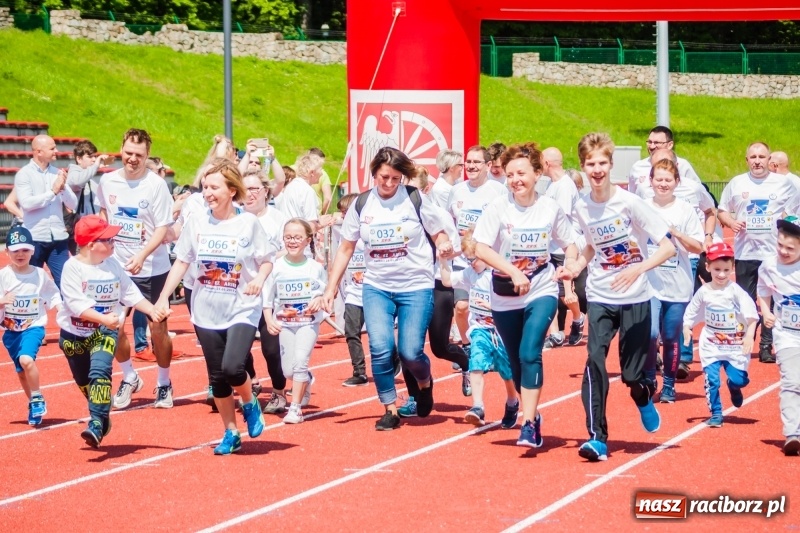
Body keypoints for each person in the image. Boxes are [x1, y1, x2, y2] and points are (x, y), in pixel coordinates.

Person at [559, 133, 675, 462]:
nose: (597, 169)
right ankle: (597, 437)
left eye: (602, 163)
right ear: (582, 166)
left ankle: (643, 396)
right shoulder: (582, 206)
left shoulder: (629, 202)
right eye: (590, 164)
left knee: (631, 376)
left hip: (636, 295)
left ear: (611, 165)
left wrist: (638, 270)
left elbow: (667, 247)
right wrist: (576, 267)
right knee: (594, 362)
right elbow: (592, 245)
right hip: (600, 294)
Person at [322, 147, 454, 431]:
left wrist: (442, 242)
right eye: (384, 177)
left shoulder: (415, 198)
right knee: (381, 349)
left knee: (410, 351)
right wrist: (330, 287)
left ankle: (424, 382)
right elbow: (345, 248)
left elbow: (438, 231)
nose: (390, 184)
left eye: (396, 178)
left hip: (415, 286)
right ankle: (390, 408)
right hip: (377, 287)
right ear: (374, 174)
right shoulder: (362, 204)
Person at [155, 158, 275, 455]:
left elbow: (267, 260)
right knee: (217, 377)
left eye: (214, 187)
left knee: (233, 367)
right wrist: (162, 298)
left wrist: (259, 279)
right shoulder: (197, 221)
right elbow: (182, 261)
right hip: (205, 309)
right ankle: (230, 432)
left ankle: (249, 403)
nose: (207, 192)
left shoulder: (248, 222)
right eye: (205, 186)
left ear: (232, 190)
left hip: (242, 306)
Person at [473, 142, 579, 448]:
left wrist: (570, 262)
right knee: (516, 362)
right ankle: (533, 411)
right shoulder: (498, 209)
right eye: (509, 175)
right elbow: (479, 247)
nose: (515, 179)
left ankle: (529, 422)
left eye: (521, 173)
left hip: (541, 287)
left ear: (537, 173)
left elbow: (569, 242)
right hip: (504, 293)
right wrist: (512, 271)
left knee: (530, 352)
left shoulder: (549, 207)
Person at [58, 215, 167, 448]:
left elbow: (130, 293)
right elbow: (76, 305)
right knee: (86, 383)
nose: (113, 241)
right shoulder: (72, 268)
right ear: (90, 245)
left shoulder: (113, 265)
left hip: (105, 333)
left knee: (100, 373)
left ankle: (96, 423)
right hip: (73, 336)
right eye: (107, 239)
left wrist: (153, 311)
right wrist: (103, 317)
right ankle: (102, 415)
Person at [96, 129, 178, 410]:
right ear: (121, 149)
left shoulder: (155, 185)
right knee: (113, 326)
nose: (132, 159)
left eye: (139, 155)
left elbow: (163, 228)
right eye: (128, 153)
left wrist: (143, 254)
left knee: (157, 328)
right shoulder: (107, 181)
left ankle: (164, 382)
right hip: (118, 266)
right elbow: (105, 214)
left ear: (147, 155)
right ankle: (130, 377)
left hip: (153, 268)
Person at [717, 141, 800, 364]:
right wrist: (731, 222)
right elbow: (722, 210)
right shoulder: (737, 183)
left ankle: (766, 346)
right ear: (747, 160)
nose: (757, 161)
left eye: (761, 157)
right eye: (753, 157)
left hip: (773, 254)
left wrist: (787, 221)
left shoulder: (783, 184)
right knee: (745, 300)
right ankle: (744, 341)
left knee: (772, 301)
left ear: (769, 160)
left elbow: (794, 209)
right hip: (745, 253)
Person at [441, 231, 519, 428]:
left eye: (474, 259)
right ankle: (477, 406)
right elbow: (447, 280)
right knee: (476, 365)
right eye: (468, 260)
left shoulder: (499, 274)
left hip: (501, 331)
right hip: (480, 329)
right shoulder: (470, 274)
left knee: (507, 373)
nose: (471, 263)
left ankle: (512, 401)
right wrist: (442, 261)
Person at [643, 158, 704, 402]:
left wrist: (676, 233)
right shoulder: (642, 206)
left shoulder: (685, 210)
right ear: (651, 181)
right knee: (649, 333)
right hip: (649, 284)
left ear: (677, 182)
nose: (663, 184)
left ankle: (668, 384)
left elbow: (698, 247)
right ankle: (649, 377)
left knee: (670, 337)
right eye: (659, 179)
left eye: (668, 180)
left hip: (678, 285)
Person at [682, 242, 758, 428]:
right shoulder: (704, 291)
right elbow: (691, 312)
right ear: (707, 267)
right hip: (711, 346)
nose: (721, 274)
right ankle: (716, 413)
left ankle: (734, 387)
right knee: (712, 381)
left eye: (726, 269)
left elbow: (752, 317)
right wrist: (687, 328)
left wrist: (749, 336)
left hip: (735, 347)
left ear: (732, 268)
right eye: (717, 269)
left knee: (739, 379)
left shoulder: (736, 292)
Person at [446, 145, 507, 373]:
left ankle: (494, 349)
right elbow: (449, 221)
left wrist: (488, 256)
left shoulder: (498, 192)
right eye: (468, 162)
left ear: (488, 166)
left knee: (489, 309)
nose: (471, 166)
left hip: (489, 263)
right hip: (463, 261)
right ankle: (468, 346)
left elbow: (504, 228)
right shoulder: (457, 191)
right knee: (461, 307)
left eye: (476, 162)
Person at [264, 218, 328, 423]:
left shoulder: (314, 268)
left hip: (308, 323)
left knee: (300, 362)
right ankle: (306, 380)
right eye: (288, 237)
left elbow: (325, 292)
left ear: (308, 239)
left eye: (297, 237)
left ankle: (295, 408)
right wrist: (268, 319)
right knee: (288, 371)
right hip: (285, 324)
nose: (292, 241)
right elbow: (266, 299)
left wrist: (319, 298)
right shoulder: (276, 267)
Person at [0, 226, 61, 425]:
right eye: (15, 250)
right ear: (7, 251)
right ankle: (34, 402)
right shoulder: (3, 276)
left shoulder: (39, 274)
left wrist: (60, 307)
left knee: (27, 360)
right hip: (10, 332)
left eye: (25, 249)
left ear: (33, 250)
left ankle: (36, 397)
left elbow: (52, 293)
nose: (20, 254)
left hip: (33, 327)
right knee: (21, 371)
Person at [242, 171, 291, 414]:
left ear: (265, 191)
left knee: (271, 349)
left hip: (271, 293)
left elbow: (291, 248)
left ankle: (280, 391)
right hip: (241, 294)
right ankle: (250, 380)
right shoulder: (235, 218)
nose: (249, 194)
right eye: (245, 189)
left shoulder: (278, 218)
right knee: (238, 348)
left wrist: (267, 260)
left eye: (254, 189)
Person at [758, 216, 800, 455]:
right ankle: (792, 433)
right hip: (787, 336)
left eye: (790, 248)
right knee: (792, 381)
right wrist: (765, 311)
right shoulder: (769, 265)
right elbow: (763, 288)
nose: (783, 251)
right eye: (780, 245)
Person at [13, 134, 78, 289]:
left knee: (65, 283)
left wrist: (62, 190)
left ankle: (66, 313)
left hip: (58, 239)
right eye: (52, 148)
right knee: (30, 283)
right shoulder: (24, 174)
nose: (56, 150)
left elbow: (73, 203)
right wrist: (53, 192)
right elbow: (27, 203)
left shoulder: (57, 173)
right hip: (34, 239)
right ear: (39, 152)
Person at [541, 146, 585, 348]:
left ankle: (577, 318)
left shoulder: (565, 186)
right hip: (550, 247)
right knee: (549, 289)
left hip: (565, 249)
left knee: (565, 294)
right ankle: (555, 333)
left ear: (547, 163)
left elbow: (562, 219)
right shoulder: (552, 184)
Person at [66, 140, 113, 255]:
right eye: (90, 156)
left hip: (92, 229)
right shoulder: (73, 174)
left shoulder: (90, 178)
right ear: (78, 159)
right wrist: (96, 165)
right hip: (79, 231)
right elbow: (78, 182)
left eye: (95, 156)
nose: (94, 159)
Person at [627, 126, 701, 196]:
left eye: (657, 143)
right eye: (649, 142)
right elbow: (632, 195)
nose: (652, 146)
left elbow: (698, 192)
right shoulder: (637, 167)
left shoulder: (682, 165)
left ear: (670, 145)